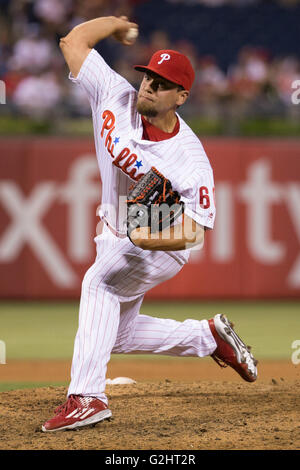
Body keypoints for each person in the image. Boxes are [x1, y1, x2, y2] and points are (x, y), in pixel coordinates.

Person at [42, 16, 258, 432]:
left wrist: (148, 237)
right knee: (115, 335)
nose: (148, 86)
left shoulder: (189, 160)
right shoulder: (114, 95)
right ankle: (207, 337)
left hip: (165, 243)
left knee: (98, 283)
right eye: (147, 77)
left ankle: (87, 396)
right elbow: (72, 43)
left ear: (181, 96)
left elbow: (197, 230)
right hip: (115, 231)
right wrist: (114, 24)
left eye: (160, 83)